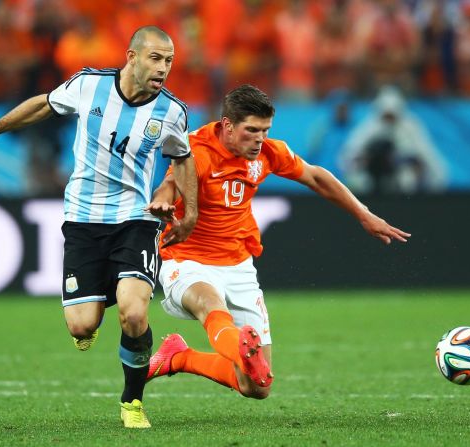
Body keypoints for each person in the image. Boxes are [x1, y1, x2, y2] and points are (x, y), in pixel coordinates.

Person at [0, 26, 198, 429]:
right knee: (83, 325)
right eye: (156, 58)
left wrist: (187, 213)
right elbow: (42, 106)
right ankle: (97, 304)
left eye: (169, 61)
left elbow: (183, 157)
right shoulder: (89, 86)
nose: (163, 68)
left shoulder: (171, 111)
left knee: (134, 313)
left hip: (136, 219)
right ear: (132, 57)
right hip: (83, 219)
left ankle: (132, 401)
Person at [145, 84, 410, 399]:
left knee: (256, 387)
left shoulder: (267, 152)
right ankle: (237, 344)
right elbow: (170, 185)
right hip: (188, 260)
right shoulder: (196, 151)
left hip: (239, 265)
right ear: (227, 126)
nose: (259, 138)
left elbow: (315, 176)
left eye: (265, 130)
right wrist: (161, 202)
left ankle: (178, 356)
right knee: (210, 304)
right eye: (252, 130)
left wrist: (363, 213)